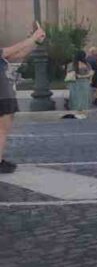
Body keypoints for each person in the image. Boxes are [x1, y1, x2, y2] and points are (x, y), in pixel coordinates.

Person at [0, 22, 47, 174]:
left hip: (4, 91)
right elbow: (7, 52)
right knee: (1, 130)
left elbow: (17, 55)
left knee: (2, 129)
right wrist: (32, 38)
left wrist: (36, 41)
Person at [66, 50, 94, 118]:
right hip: (84, 82)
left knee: (77, 98)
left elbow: (69, 74)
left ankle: (78, 113)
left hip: (75, 83)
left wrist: (80, 76)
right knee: (84, 98)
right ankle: (83, 113)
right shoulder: (86, 64)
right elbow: (91, 73)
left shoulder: (71, 64)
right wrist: (85, 76)